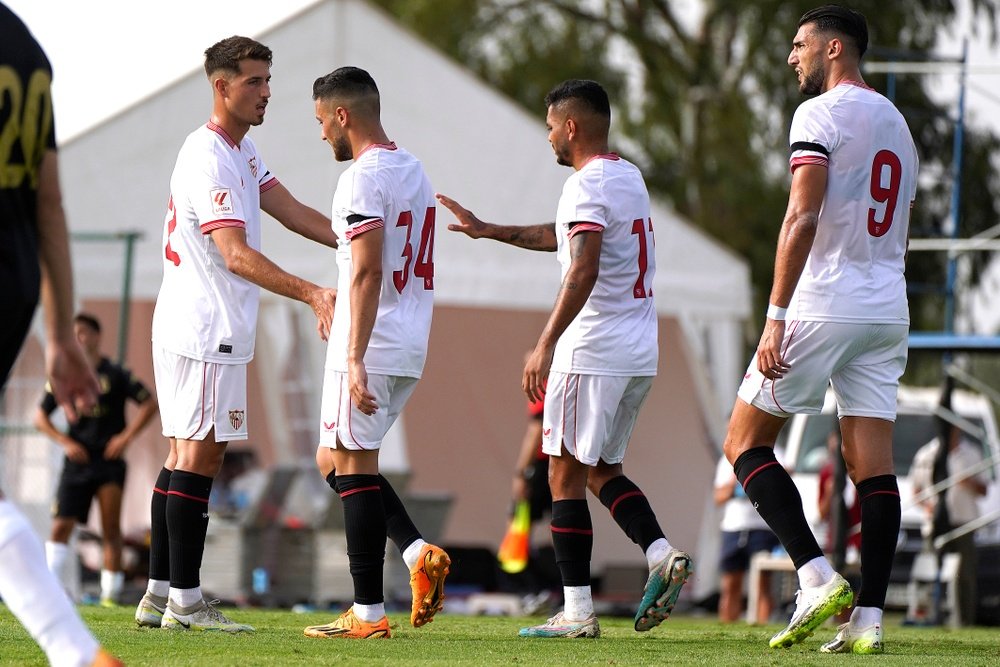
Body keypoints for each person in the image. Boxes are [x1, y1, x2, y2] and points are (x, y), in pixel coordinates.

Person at [440, 78, 692, 639]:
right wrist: (490, 231)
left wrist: (545, 341)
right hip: (637, 348)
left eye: (551, 125)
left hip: (593, 347)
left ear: (571, 126)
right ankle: (660, 552)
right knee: (601, 469)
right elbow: (567, 239)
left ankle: (576, 612)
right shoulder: (627, 176)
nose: (548, 136)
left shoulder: (584, 184)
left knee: (561, 474)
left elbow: (583, 266)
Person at [721, 5, 918, 655]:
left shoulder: (819, 115)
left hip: (824, 301)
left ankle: (814, 575)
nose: (791, 57)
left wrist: (775, 316)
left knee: (744, 443)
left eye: (800, 45)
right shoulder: (899, 125)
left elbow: (801, 217)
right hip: (886, 306)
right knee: (874, 467)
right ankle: (869, 618)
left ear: (835, 48)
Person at [134, 35, 337, 633]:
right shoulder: (210, 156)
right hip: (206, 328)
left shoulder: (239, 151)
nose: (267, 92)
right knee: (199, 459)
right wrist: (314, 293)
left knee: (181, 458)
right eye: (254, 81)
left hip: (195, 323)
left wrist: (355, 238)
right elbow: (236, 255)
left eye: (268, 81)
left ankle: (158, 593)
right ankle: (187, 603)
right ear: (221, 86)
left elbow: (290, 208)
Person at [303, 66, 450, 640]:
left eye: (321, 121)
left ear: (342, 115)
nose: (321, 136)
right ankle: (417, 555)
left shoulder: (361, 179)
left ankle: (365, 614)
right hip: (410, 338)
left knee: (355, 465)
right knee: (331, 460)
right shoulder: (412, 168)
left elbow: (366, 271)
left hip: (372, 341)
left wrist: (356, 354)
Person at [0, 3, 122, 664]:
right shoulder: (27, 48)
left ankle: (74, 649)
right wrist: (58, 332)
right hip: (15, 276)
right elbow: (50, 201)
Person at [35, 312, 158, 606]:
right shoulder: (64, 375)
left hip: (108, 461)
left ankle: (110, 597)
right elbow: (39, 416)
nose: (78, 338)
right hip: (77, 462)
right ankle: (51, 591)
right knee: (61, 524)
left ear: (96, 336)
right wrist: (65, 441)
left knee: (110, 528)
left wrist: (125, 438)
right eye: (74, 333)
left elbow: (149, 403)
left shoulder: (115, 373)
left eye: (84, 333)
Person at [910, 425, 988, 625]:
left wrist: (969, 483)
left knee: (964, 576)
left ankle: (964, 621)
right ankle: (925, 619)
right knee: (928, 573)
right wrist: (927, 507)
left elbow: (984, 489)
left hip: (963, 524)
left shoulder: (972, 453)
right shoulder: (927, 453)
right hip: (934, 524)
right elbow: (916, 490)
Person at [713, 455, 779, 623]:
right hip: (733, 527)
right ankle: (726, 630)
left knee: (762, 584)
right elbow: (718, 497)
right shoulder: (726, 460)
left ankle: (762, 628)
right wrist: (736, 480)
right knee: (730, 584)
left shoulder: (774, 452)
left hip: (762, 527)